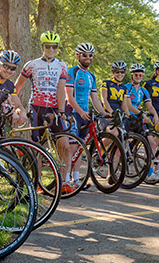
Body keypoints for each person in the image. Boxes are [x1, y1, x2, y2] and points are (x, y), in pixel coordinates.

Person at [14, 31, 72, 192]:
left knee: (65, 146)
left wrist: (61, 110)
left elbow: (61, 88)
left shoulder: (62, 65)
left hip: (54, 109)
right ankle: (38, 184)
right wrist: (14, 105)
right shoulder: (31, 64)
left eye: (55, 46)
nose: (51, 49)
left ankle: (64, 182)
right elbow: (17, 87)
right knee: (37, 148)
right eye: (48, 46)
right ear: (42, 46)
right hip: (36, 108)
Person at [65, 43, 107, 187]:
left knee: (79, 148)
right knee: (71, 148)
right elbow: (69, 97)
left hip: (84, 114)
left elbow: (94, 98)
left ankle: (76, 180)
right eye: (85, 55)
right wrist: (81, 112)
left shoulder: (91, 76)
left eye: (90, 55)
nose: (88, 58)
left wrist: (103, 113)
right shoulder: (72, 72)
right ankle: (65, 181)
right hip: (72, 112)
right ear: (78, 56)